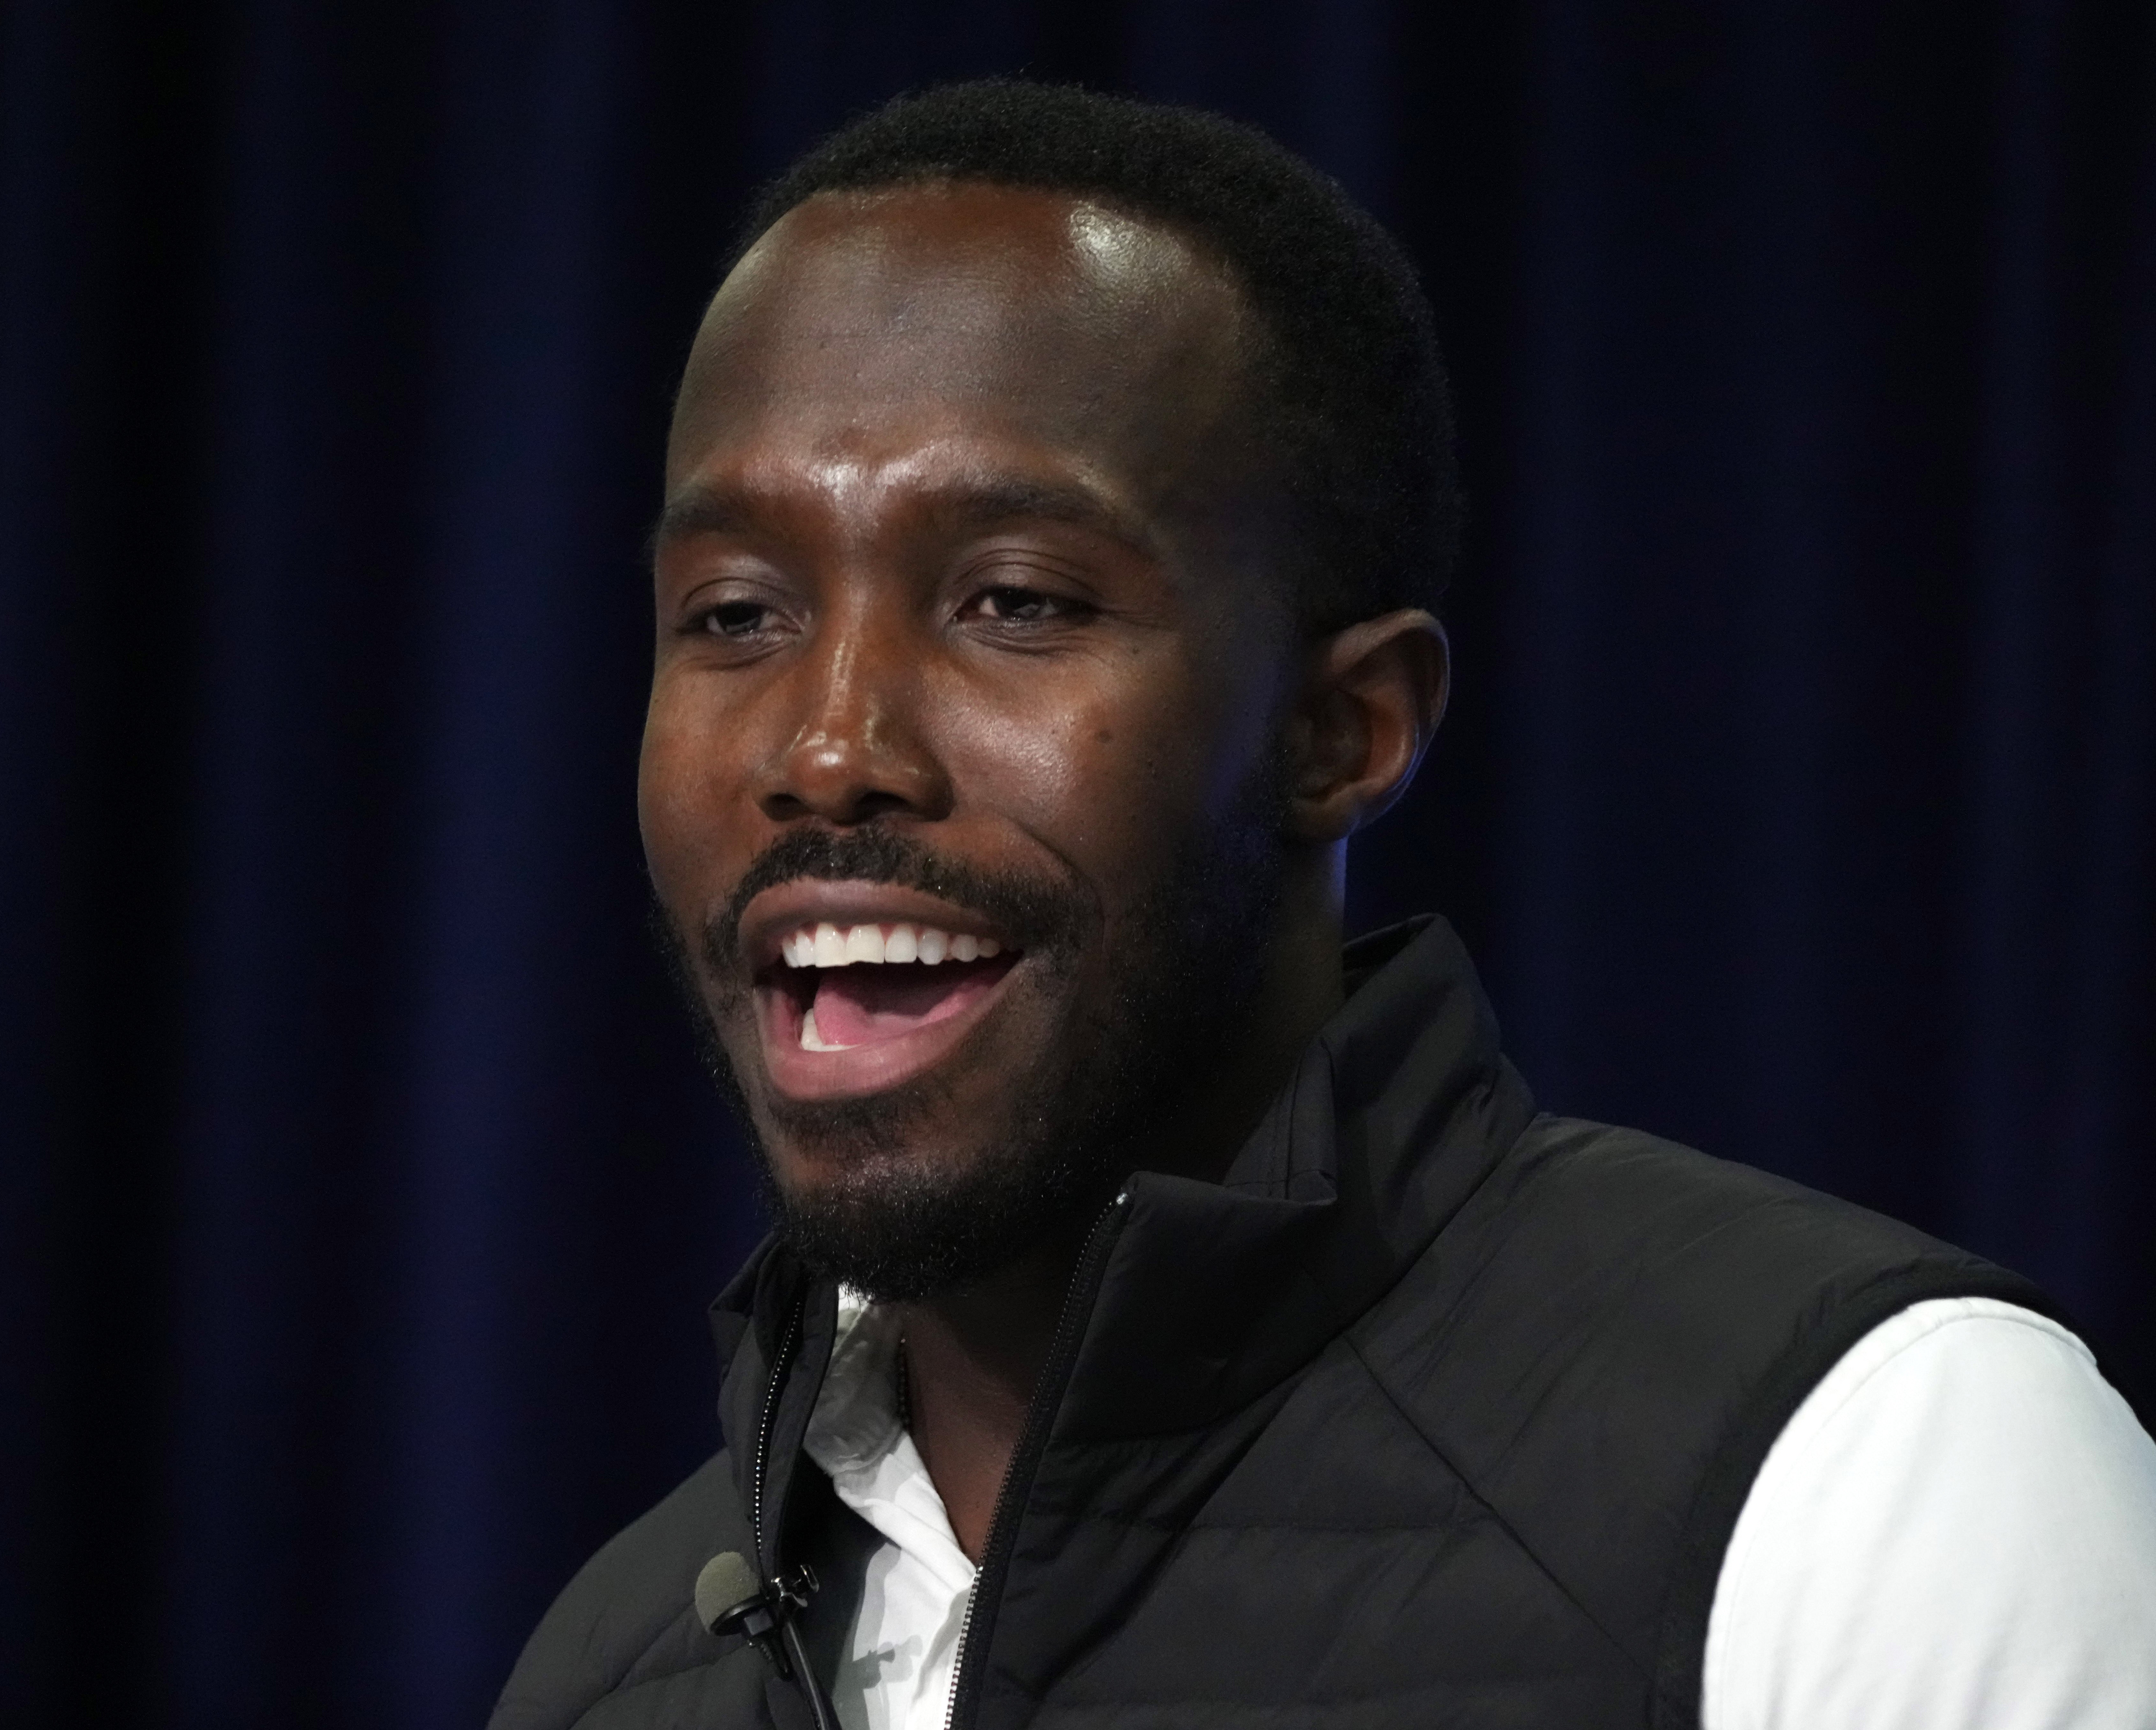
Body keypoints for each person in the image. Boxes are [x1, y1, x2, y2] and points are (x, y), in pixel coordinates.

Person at [492, 80, 2156, 1730]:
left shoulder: (1867, 1468)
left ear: (1342, 731)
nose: (828, 743)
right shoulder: (611, 1667)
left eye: (1012, 598)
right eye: (731, 614)